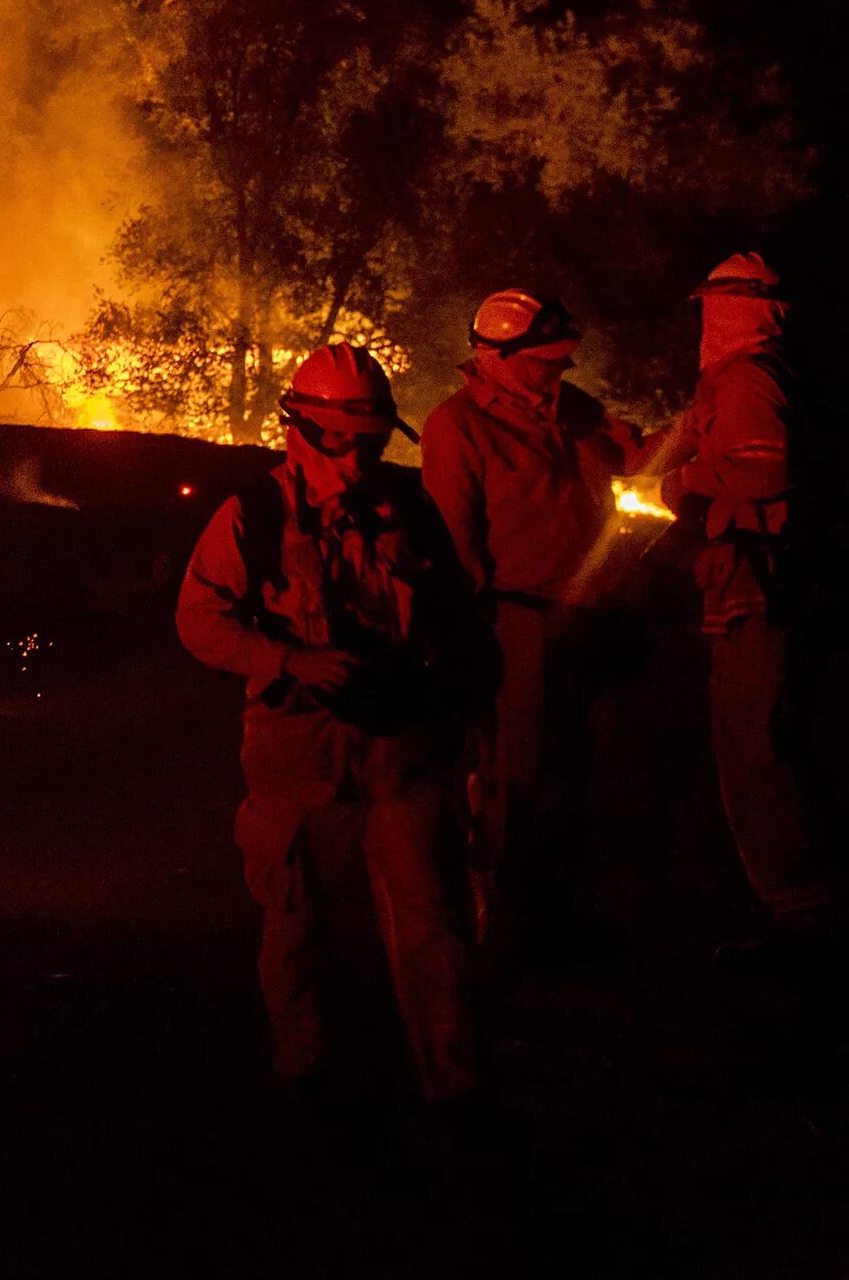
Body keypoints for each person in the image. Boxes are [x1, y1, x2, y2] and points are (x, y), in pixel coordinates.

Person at [175, 343, 505, 1143]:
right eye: (341, 438)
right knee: (297, 919)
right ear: (300, 429)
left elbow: (457, 617)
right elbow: (199, 619)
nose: (358, 454)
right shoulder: (250, 515)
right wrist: (288, 659)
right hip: (301, 748)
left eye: (371, 439)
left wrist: (463, 704)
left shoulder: (410, 507)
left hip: (403, 744)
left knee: (434, 922)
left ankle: (453, 1089)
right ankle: (307, 1075)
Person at [419, 289, 646, 964]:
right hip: (517, 621)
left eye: (560, 359)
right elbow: (455, 544)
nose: (557, 370)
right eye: (543, 360)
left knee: (575, 775)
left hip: (586, 618)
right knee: (519, 781)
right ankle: (510, 931)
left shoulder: (570, 411)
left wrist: (700, 427)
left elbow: (633, 457)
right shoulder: (456, 426)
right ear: (496, 355)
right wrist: (465, 640)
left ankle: (561, 916)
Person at [651, 252, 838, 948]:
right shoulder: (765, 374)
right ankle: (792, 893)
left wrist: (682, 483)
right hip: (762, 576)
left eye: (713, 306)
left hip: (757, 579)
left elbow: (760, 467)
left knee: (756, 736)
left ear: (734, 309)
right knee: (768, 731)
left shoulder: (747, 375)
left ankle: (797, 905)